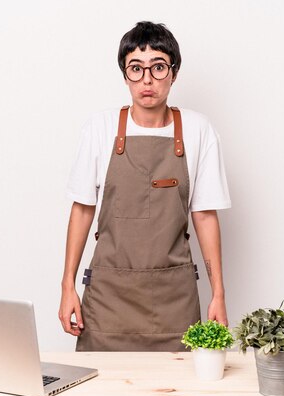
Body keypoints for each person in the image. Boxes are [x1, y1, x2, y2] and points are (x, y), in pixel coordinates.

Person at [59, 21, 231, 351]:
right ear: (125, 75)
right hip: (108, 297)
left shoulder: (198, 130)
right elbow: (82, 209)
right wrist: (68, 287)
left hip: (174, 301)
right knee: (103, 394)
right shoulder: (99, 128)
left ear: (174, 72)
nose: (147, 80)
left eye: (158, 67)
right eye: (135, 69)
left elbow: (205, 217)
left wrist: (219, 295)